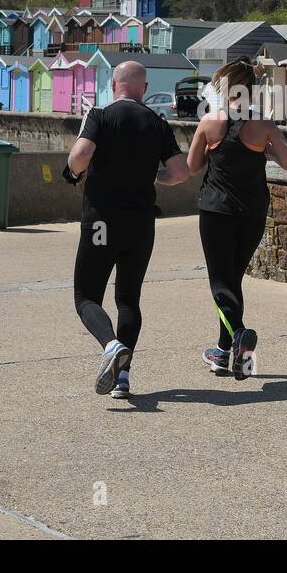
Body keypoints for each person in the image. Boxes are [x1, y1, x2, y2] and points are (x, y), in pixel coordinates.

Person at [65, 60, 189, 399]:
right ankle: (122, 379)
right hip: (140, 224)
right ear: (143, 89)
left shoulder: (100, 115)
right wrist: (153, 176)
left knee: (86, 297)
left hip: (102, 222)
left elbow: (81, 154)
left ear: (114, 85)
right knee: (128, 299)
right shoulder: (157, 122)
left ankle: (110, 345)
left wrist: (74, 172)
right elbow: (180, 172)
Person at [186, 56, 287, 380]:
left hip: (216, 210)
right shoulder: (264, 125)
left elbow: (193, 167)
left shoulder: (210, 123)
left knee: (220, 282)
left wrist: (210, 150)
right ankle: (223, 354)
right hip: (252, 212)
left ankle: (238, 333)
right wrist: (268, 150)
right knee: (233, 280)